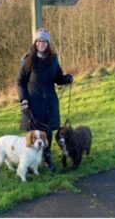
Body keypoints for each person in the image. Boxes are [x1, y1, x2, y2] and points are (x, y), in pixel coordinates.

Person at [17, 27, 73, 171]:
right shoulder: (27, 60)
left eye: (44, 41)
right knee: (33, 135)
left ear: (48, 43)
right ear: (35, 42)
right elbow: (20, 82)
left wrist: (66, 79)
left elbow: (58, 78)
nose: (41, 44)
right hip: (33, 104)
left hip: (50, 103)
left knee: (47, 132)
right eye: (39, 41)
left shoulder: (53, 60)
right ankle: (29, 163)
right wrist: (23, 100)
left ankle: (47, 159)